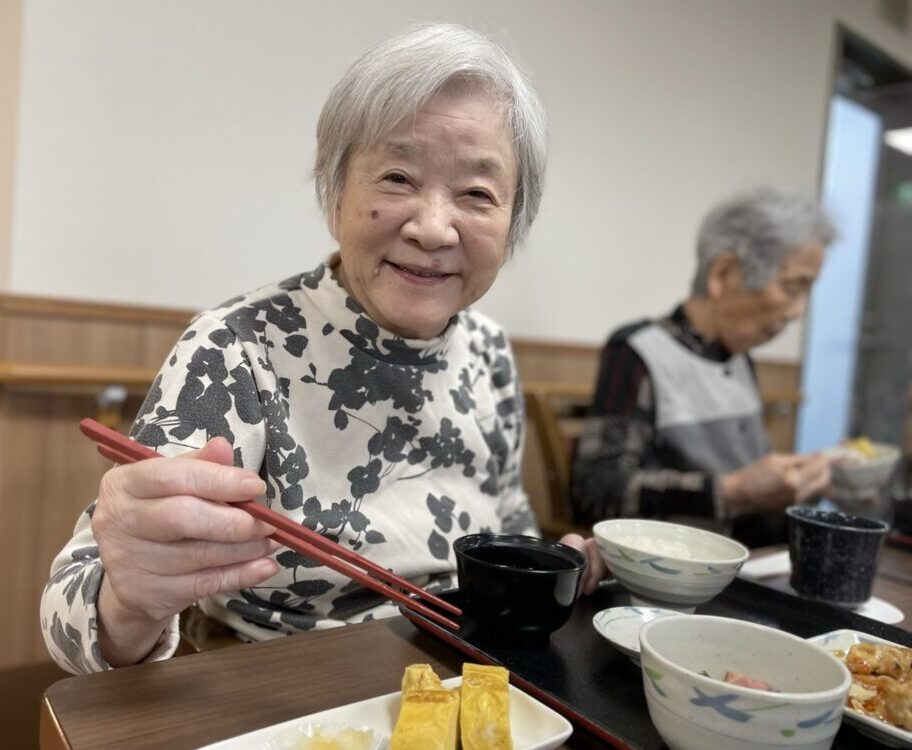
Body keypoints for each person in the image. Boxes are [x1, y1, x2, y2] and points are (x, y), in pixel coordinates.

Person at [41, 22, 549, 674]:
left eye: (477, 193)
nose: (431, 226)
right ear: (335, 191)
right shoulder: (238, 349)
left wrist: (549, 570)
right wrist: (129, 602)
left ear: (513, 220)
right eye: (397, 176)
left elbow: (510, 521)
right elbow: (70, 616)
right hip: (286, 700)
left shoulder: (488, 351)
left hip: (462, 677)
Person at [570, 187, 837, 548]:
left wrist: (811, 480)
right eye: (793, 287)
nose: (797, 312)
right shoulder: (637, 352)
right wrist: (730, 492)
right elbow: (597, 490)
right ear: (724, 273)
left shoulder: (741, 360)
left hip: (756, 565)